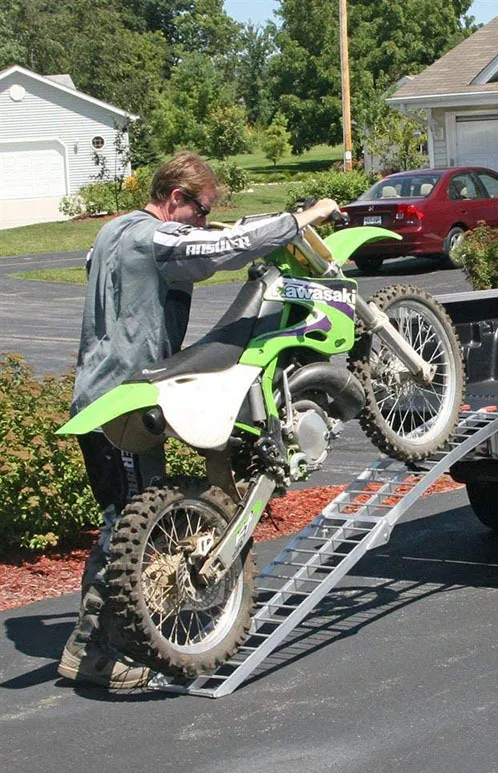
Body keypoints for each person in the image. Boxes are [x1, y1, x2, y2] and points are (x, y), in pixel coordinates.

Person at [58, 151, 338, 690]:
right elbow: (219, 249)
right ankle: (107, 656)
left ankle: (84, 647)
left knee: (121, 522)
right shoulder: (153, 237)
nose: (205, 221)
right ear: (175, 199)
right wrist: (298, 221)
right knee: (134, 533)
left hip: (95, 395)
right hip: (123, 401)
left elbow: (208, 241)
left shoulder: (110, 234)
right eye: (202, 209)